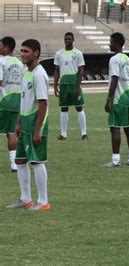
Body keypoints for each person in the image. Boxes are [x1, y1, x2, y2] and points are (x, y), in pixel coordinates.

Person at [6, 39, 50, 211]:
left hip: (35, 123)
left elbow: (43, 103)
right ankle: (25, 199)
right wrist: (18, 122)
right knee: (20, 160)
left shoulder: (39, 74)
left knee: (37, 161)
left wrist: (37, 129)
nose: (22, 54)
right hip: (24, 122)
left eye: (26, 51)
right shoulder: (26, 71)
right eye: (22, 51)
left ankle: (43, 202)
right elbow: (24, 99)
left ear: (36, 53)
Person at [103, 32, 129, 167]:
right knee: (127, 127)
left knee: (115, 127)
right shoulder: (128, 59)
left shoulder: (114, 59)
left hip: (119, 96)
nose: (109, 44)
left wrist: (109, 99)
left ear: (116, 43)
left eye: (111, 42)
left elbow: (115, 78)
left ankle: (115, 161)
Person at [53, 32, 87, 141]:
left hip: (74, 84)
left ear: (73, 40)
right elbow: (57, 70)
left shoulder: (78, 53)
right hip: (63, 85)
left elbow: (81, 71)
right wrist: (55, 86)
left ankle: (84, 133)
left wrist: (77, 87)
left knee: (79, 107)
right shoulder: (59, 53)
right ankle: (63, 134)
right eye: (65, 39)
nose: (67, 41)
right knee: (64, 108)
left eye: (69, 39)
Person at [0, 36, 22, 172]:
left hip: (2, 101)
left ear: (6, 47)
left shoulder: (1, 61)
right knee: (11, 131)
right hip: (16, 102)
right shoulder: (19, 63)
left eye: (0, 45)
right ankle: (14, 164)